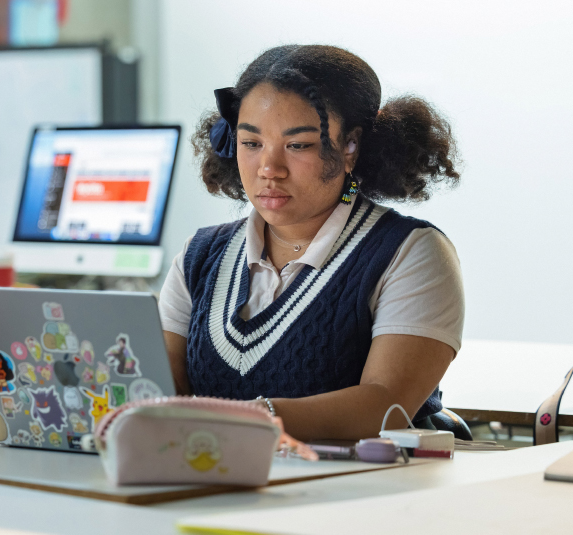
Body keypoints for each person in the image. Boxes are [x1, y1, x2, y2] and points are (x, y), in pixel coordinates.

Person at [159, 45, 464, 442]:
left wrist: (249, 418)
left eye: (297, 145)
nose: (269, 168)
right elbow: (155, 389)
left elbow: (383, 405)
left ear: (350, 146)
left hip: (365, 494)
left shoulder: (411, 252)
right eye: (252, 144)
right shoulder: (199, 256)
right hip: (217, 483)